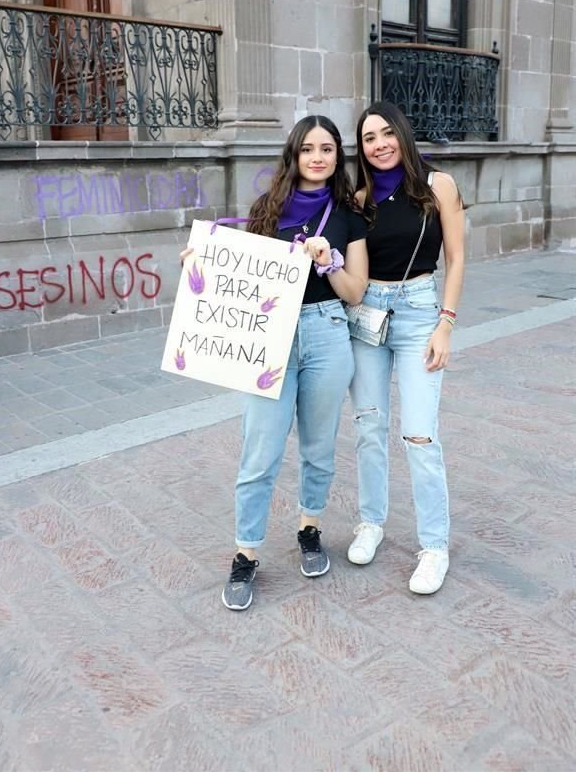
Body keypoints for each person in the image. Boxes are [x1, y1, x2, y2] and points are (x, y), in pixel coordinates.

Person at [184, 115, 368, 610]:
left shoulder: (348, 213)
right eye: (308, 148)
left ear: (337, 157)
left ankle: (310, 527)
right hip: (271, 340)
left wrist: (329, 262)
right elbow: (241, 279)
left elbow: (356, 292)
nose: (317, 157)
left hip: (327, 333)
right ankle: (246, 553)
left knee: (318, 446)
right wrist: (201, 263)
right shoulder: (267, 209)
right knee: (260, 449)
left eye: (327, 149)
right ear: (294, 153)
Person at [347, 101, 464, 595]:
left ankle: (433, 547)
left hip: (419, 313)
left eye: (386, 134)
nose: (379, 145)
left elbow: (456, 259)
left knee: (419, 435)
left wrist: (446, 325)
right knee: (369, 426)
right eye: (369, 138)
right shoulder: (357, 196)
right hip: (366, 314)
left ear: (402, 134)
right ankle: (371, 522)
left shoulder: (438, 186)